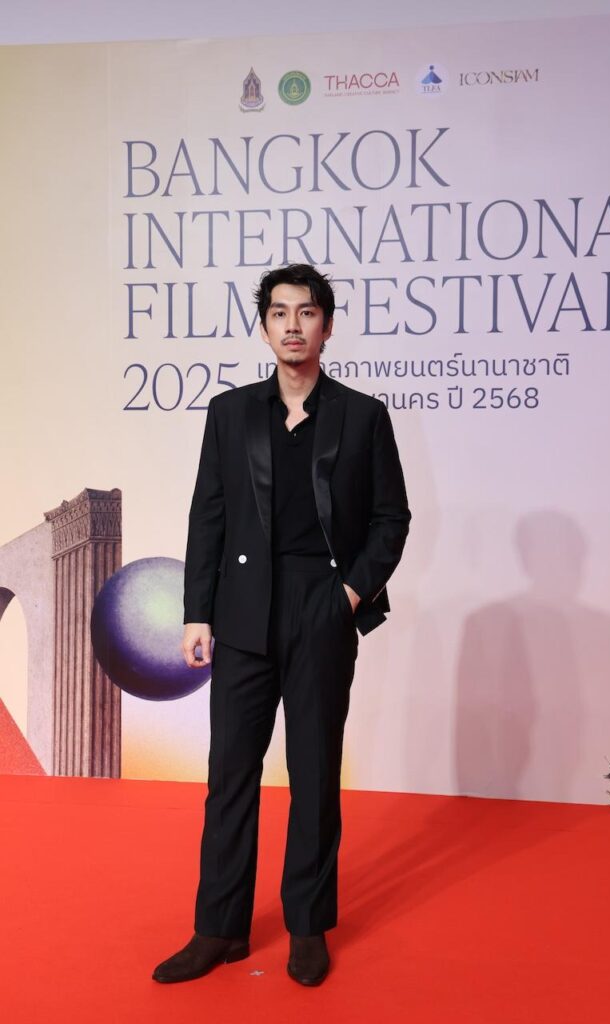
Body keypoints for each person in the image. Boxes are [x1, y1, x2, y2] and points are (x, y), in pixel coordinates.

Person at [152, 263, 410, 987]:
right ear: (264, 327)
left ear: (327, 326)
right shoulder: (231, 413)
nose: (293, 325)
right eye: (279, 313)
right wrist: (197, 611)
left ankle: (307, 927)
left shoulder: (363, 416)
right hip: (241, 609)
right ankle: (219, 929)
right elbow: (208, 514)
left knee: (314, 775)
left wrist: (350, 594)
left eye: (306, 312)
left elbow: (391, 518)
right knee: (230, 773)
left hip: (321, 607)